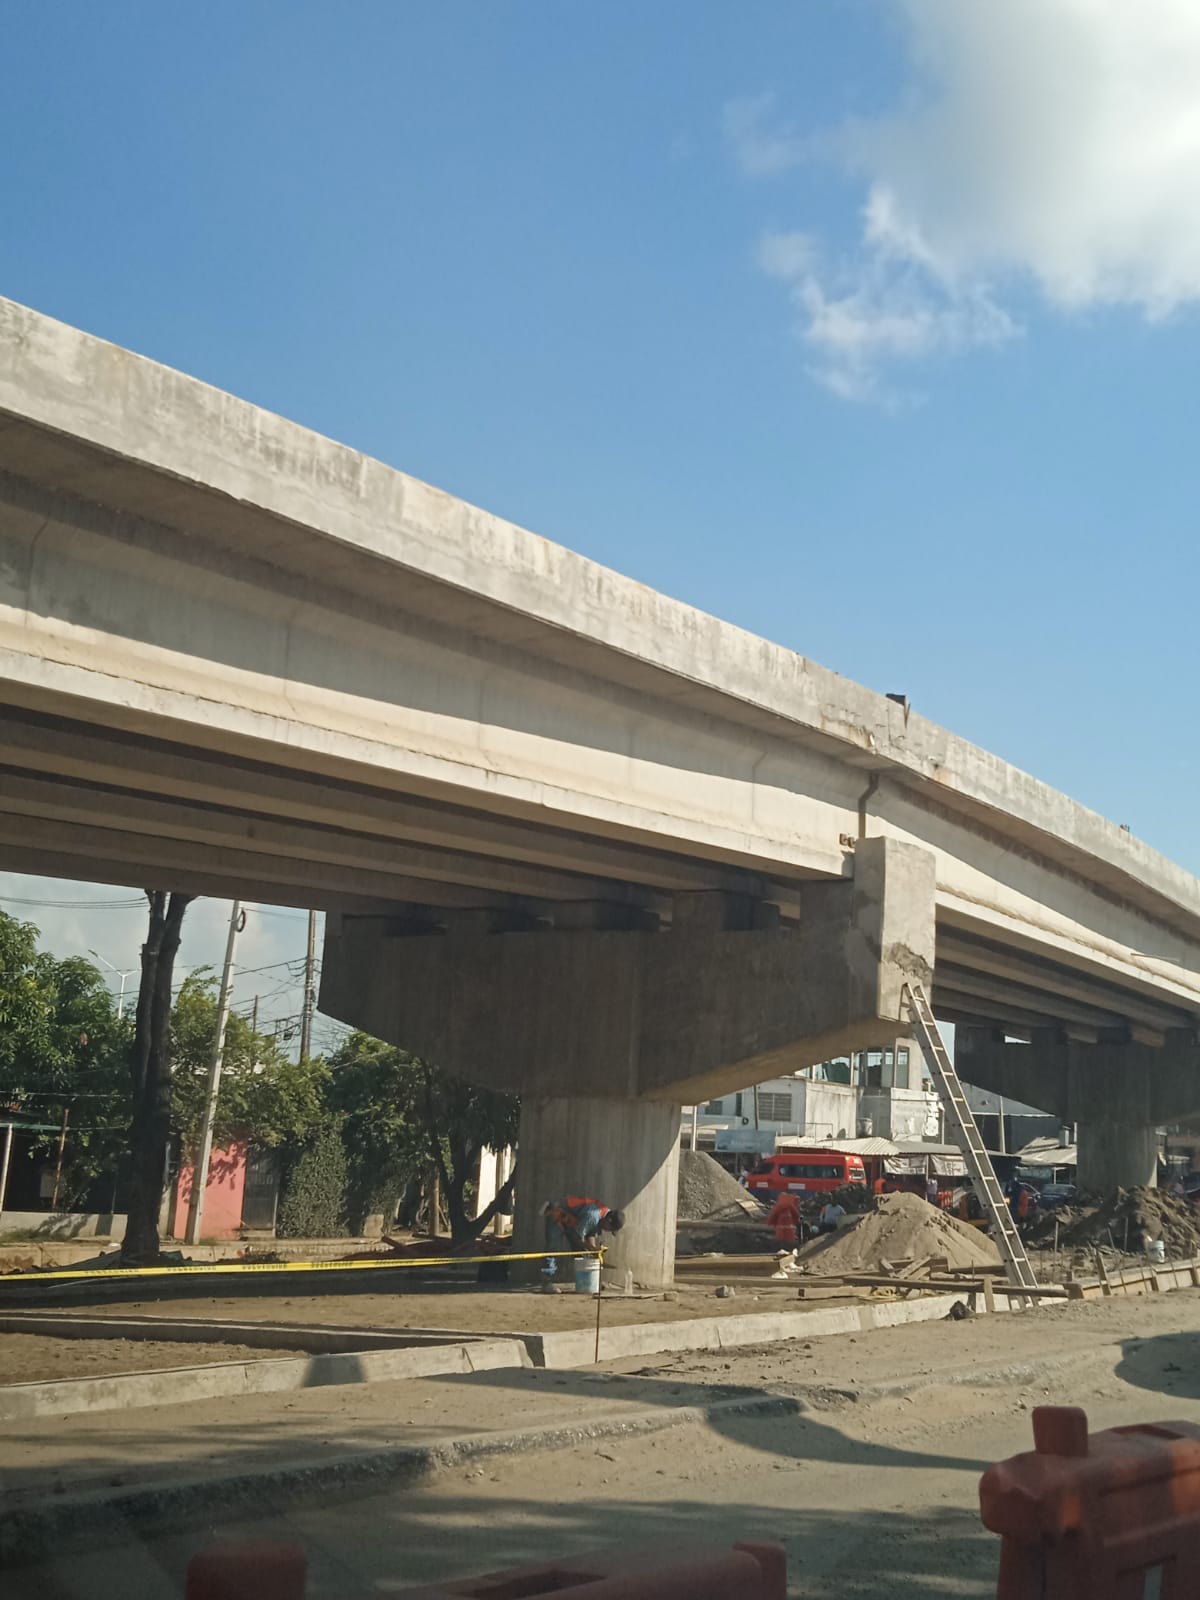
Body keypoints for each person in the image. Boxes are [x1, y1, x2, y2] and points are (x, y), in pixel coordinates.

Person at [541, 1195, 625, 1278]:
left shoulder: (603, 1214)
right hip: (557, 1213)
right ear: (609, 1220)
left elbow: (591, 1233)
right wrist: (592, 1249)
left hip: (571, 1222)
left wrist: (594, 1251)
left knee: (582, 1253)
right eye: (610, 1229)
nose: (607, 1231)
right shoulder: (594, 1215)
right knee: (553, 1247)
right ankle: (548, 1281)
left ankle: (589, 1280)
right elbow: (577, 1237)